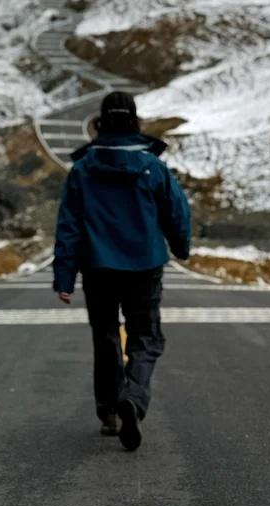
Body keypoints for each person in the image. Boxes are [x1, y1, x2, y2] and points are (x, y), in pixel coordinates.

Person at [52, 91, 191, 451]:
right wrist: (181, 247)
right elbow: (176, 212)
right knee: (146, 338)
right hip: (144, 266)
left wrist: (64, 277)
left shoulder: (83, 170)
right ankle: (134, 396)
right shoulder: (153, 167)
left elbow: (69, 226)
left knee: (106, 337)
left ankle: (110, 413)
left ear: (101, 122)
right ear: (134, 121)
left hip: (98, 267)